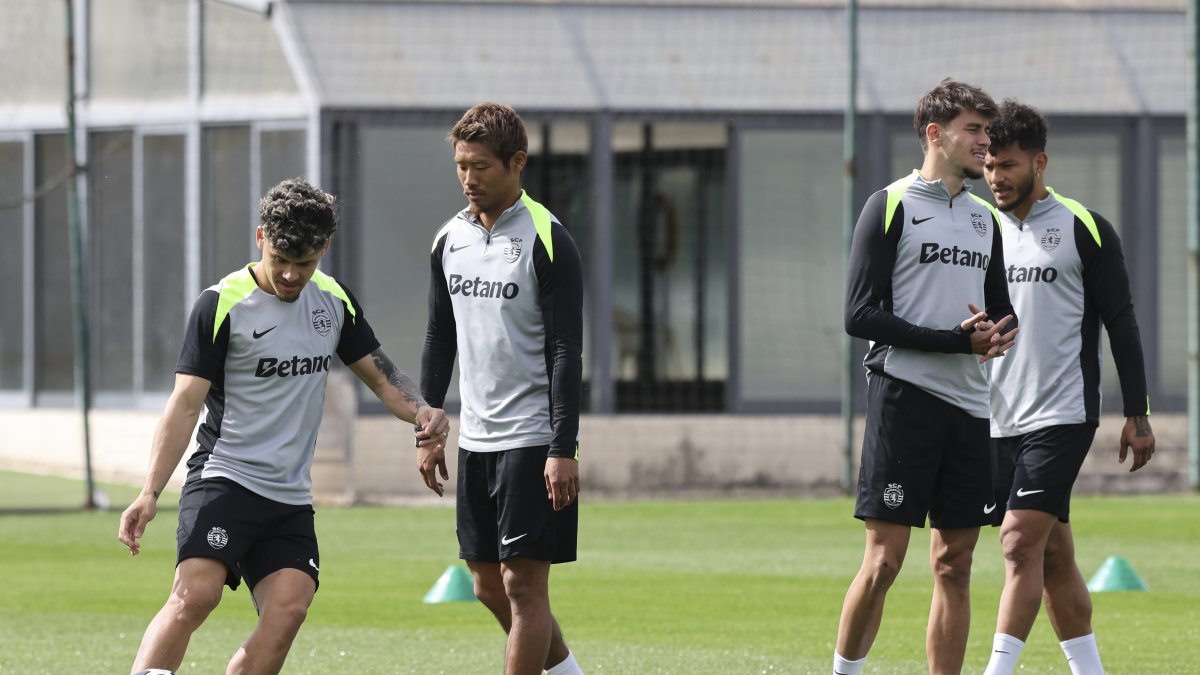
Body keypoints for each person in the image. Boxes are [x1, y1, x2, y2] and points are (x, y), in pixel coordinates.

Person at [117, 178, 449, 675]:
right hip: (225, 478)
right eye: (281, 260)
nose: (292, 275)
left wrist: (422, 411)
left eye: (305, 263)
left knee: (290, 607)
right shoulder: (221, 305)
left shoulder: (333, 301)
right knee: (196, 595)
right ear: (260, 238)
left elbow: (381, 377)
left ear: (325, 249)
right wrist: (149, 492)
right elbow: (184, 405)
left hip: (289, 497)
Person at [835, 79, 1018, 675]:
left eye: (988, 131)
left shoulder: (986, 220)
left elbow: (1001, 308)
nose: (985, 142)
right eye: (974, 130)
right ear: (936, 134)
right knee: (883, 563)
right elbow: (859, 315)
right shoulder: (889, 204)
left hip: (971, 410)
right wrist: (953, 342)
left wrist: (1000, 333)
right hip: (904, 400)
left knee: (955, 564)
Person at [980, 100, 1155, 675]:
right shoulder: (980, 229)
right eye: (988, 164)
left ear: (1040, 162)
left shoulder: (1084, 227)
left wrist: (1137, 412)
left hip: (1062, 412)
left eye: (1007, 164)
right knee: (1053, 554)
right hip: (993, 414)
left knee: (1016, 543)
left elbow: (1121, 321)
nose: (995, 177)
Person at [419, 103, 585, 675]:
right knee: (487, 585)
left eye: (481, 166)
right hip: (476, 439)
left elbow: (566, 352)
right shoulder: (448, 239)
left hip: (533, 439)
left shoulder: (549, 240)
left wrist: (563, 448)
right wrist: (428, 429)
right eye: (461, 165)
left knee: (523, 586)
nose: (468, 178)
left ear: (517, 162)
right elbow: (440, 336)